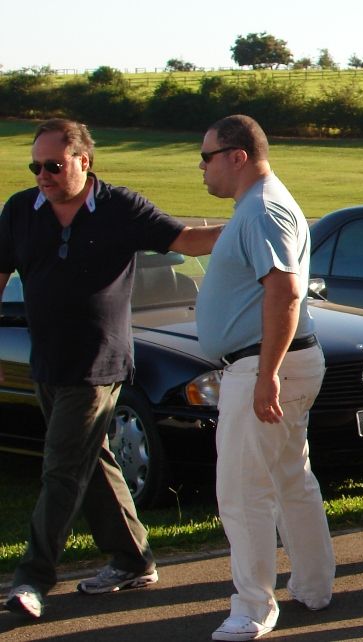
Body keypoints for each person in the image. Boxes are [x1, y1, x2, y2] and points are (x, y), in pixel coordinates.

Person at [0, 118, 222, 620]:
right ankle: (132, 559)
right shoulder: (19, 211)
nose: (42, 175)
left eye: (53, 165)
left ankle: (31, 579)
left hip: (98, 363)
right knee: (92, 462)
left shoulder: (119, 207)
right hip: (47, 363)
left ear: (83, 160)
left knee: (60, 468)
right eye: (35, 166)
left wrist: (251, 224)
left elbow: (185, 239)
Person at [195, 114, 335, 641]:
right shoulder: (258, 207)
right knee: (289, 479)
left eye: (206, 157)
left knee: (242, 490)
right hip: (277, 361)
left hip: (263, 363)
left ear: (236, 155)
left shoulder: (261, 209)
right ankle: (314, 586)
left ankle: (253, 608)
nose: (202, 169)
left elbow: (285, 291)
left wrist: (266, 375)